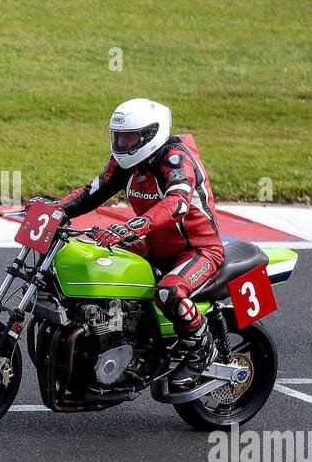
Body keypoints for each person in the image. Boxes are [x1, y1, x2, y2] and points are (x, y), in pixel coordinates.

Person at [51, 99, 224, 388]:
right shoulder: (127, 162)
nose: (122, 143)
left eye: (129, 137)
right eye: (118, 137)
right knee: (100, 261)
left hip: (198, 249)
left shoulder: (176, 160)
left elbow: (176, 204)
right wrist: (53, 209)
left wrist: (134, 226)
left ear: (150, 135)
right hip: (153, 244)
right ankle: (113, 336)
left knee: (169, 292)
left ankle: (200, 347)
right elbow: (91, 193)